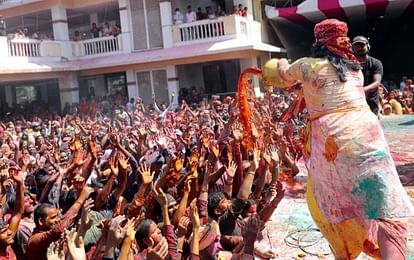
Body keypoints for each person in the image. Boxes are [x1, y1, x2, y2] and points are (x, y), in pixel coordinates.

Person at [262, 19, 414, 259]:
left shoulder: (307, 66)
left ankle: (345, 253)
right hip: (369, 135)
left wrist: (280, 61)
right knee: (388, 211)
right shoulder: (355, 71)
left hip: (334, 140)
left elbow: (281, 74)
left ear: (318, 43)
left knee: (337, 213)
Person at [352, 35, 383, 115]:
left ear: (368, 46)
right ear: (352, 48)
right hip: (353, 102)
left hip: (371, 103)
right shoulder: (348, 64)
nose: (359, 48)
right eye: (357, 46)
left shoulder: (376, 63)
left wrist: (362, 90)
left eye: (362, 45)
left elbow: (377, 83)